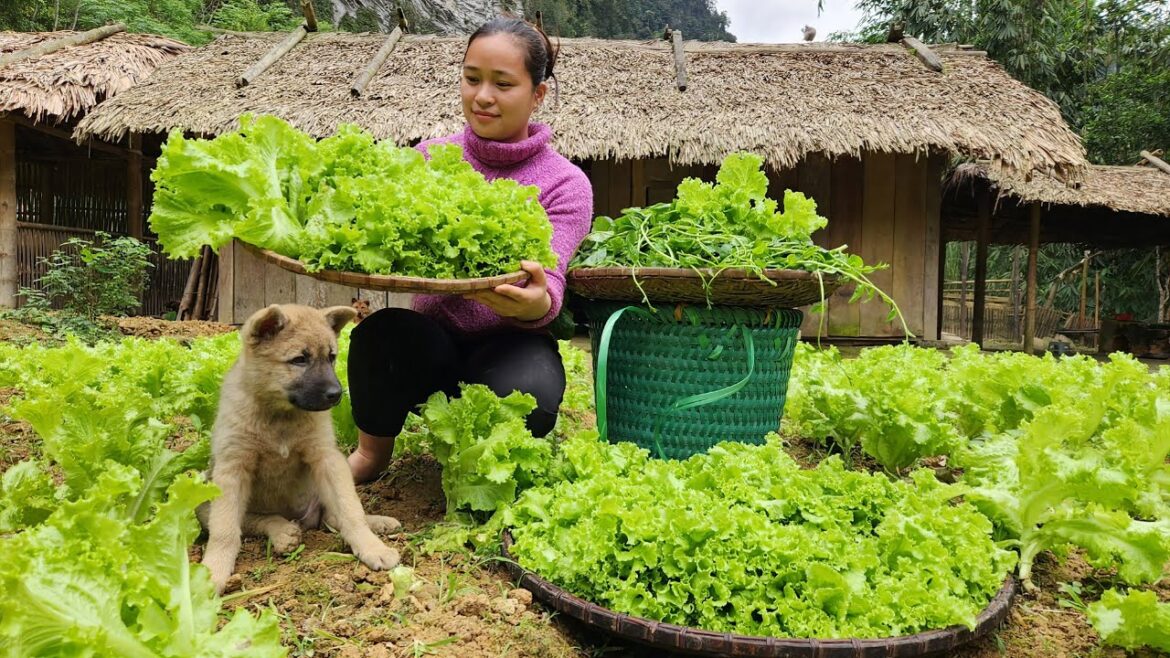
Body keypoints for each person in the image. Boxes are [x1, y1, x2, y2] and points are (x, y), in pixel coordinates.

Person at [347, 16, 593, 483]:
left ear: (537, 95)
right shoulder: (428, 158)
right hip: (430, 340)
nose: (482, 96)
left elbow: (550, 285)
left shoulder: (566, 183)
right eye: (472, 78)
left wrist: (534, 302)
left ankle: (482, 467)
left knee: (531, 394)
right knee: (380, 335)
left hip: (512, 342)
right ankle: (370, 455)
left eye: (503, 84)